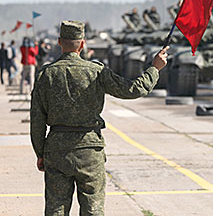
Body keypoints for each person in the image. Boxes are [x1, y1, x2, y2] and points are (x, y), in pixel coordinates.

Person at [30, 20, 168, 215]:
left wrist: (40, 152)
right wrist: (154, 68)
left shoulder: (46, 74)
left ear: (60, 42)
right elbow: (132, 89)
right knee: (93, 209)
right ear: (83, 43)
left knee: (56, 208)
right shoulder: (96, 71)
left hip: (56, 150)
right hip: (89, 150)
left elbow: (37, 119)